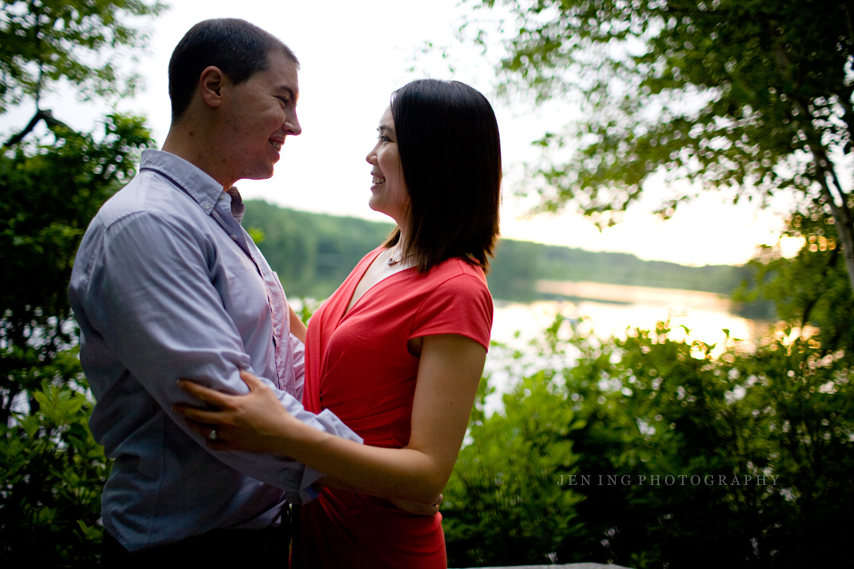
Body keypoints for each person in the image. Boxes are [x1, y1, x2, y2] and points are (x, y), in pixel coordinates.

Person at [67, 19, 367, 564]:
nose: (294, 126)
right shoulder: (145, 225)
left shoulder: (217, 223)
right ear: (213, 87)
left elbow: (285, 366)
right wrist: (375, 472)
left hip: (255, 536)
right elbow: (224, 406)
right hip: (185, 550)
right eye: (283, 99)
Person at [174, 78, 502, 568]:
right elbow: (331, 364)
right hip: (312, 533)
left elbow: (427, 475)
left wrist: (281, 434)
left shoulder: (457, 288)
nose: (371, 155)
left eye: (388, 139)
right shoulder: (383, 256)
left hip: (381, 547)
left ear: (436, 157)